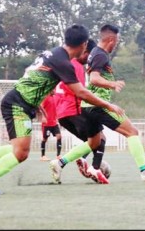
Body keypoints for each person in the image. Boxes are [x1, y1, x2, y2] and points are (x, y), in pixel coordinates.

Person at [0, 25, 124, 195]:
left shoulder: (54, 53)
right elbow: (80, 92)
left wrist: (35, 102)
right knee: (21, 153)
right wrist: (108, 105)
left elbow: (33, 76)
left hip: (21, 102)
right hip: (17, 104)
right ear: (84, 44)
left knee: (16, 148)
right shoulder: (63, 62)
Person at [55, 24, 145, 182]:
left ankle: (60, 163)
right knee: (132, 132)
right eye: (117, 41)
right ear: (111, 39)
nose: (116, 44)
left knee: (93, 142)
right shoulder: (101, 55)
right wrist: (112, 84)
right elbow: (94, 78)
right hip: (97, 106)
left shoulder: (94, 53)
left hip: (87, 107)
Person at [50, 39, 113, 184]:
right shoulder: (76, 66)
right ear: (84, 51)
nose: (90, 60)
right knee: (100, 139)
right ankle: (93, 168)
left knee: (92, 141)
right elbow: (81, 92)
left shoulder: (64, 65)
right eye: (90, 56)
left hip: (62, 114)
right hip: (74, 110)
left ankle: (79, 161)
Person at [38, 90, 63, 161]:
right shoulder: (45, 98)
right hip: (47, 123)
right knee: (44, 139)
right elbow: (41, 107)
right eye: (53, 89)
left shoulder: (55, 97)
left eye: (55, 89)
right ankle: (42, 156)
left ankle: (58, 155)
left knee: (59, 136)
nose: (55, 91)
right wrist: (43, 116)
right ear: (50, 90)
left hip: (54, 123)